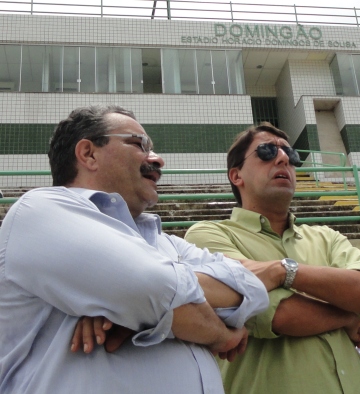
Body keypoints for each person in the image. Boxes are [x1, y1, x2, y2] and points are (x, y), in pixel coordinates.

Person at [0, 105, 269, 393]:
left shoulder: (166, 242)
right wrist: (220, 335)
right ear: (88, 153)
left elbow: (252, 289)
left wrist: (135, 313)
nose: (158, 159)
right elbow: (148, 286)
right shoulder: (39, 210)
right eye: (139, 144)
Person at [183, 123, 360, 394]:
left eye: (290, 155)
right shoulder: (208, 237)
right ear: (236, 175)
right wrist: (350, 316)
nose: (282, 158)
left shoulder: (326, 237)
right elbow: (281, 315)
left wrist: (283, 271)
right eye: (267, 151)